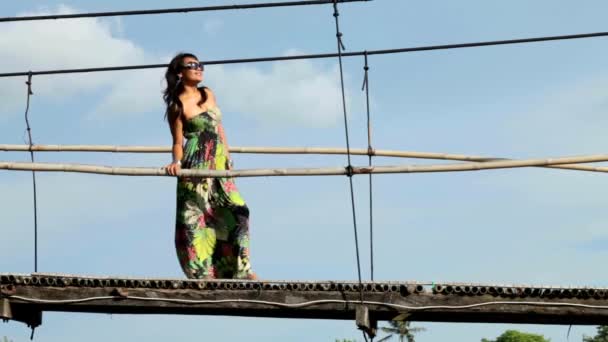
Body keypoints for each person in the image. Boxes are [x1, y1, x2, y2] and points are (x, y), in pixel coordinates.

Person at [163, 52, 256, 280]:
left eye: (200, 64)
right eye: (192, 65)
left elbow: (218, 126)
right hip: (196, 163)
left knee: (239, 211)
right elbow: (178, 142)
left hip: (219, 165)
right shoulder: (177, 105)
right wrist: (176, 163)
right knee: (198, 219)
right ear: (179, 72)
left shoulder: (208, 93)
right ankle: (204, 273)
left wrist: (228, 155)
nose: (198, 68)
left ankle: (241, 269)